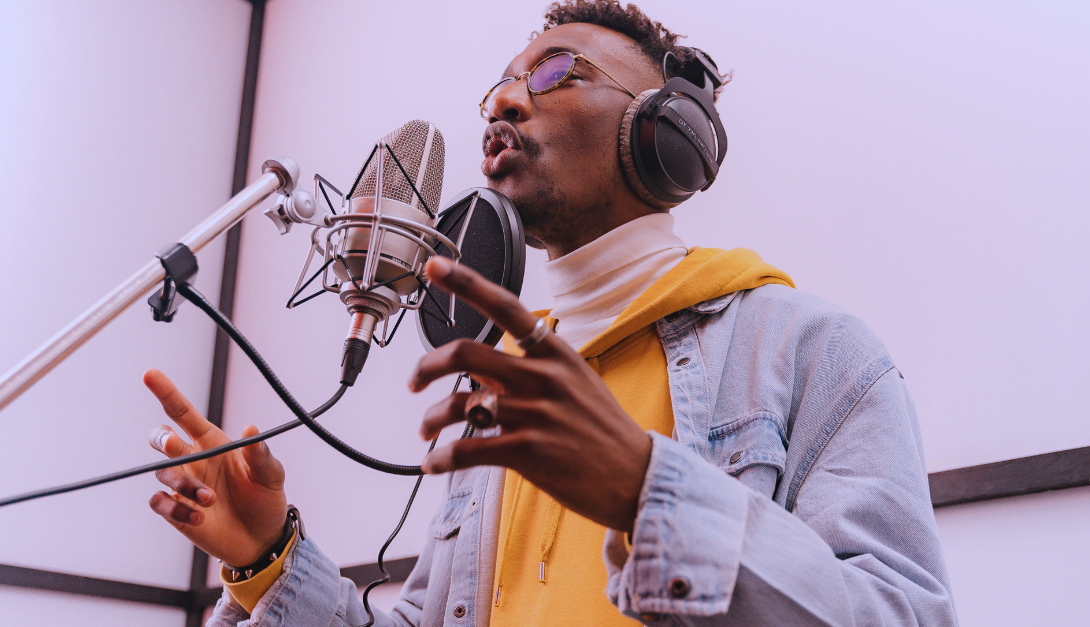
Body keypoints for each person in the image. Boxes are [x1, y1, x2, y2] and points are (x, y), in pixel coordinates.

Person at [144, 1, 959, 625]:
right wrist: (270, 557)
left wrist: (653, 491)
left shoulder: (810, 350)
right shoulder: (507, 393)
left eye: (551, 73)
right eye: (498, 86)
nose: (502, 103)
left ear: (664, 136)